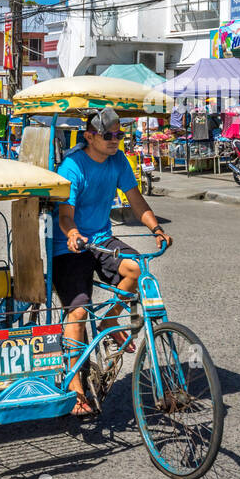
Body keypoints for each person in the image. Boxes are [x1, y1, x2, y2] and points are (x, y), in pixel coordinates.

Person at [53, 107, 170, 417]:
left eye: (120, 134)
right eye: (109, 135)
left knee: (137, 269)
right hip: (71, 245)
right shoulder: (72, 166)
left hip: (102, 240)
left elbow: (135, 199)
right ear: (90, 136)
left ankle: (108, 319)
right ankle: (75, 390)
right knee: (77, 311)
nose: (115, 140)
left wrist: (156, 228)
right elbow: (65, 215)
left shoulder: (118, 160)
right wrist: (73, 232)